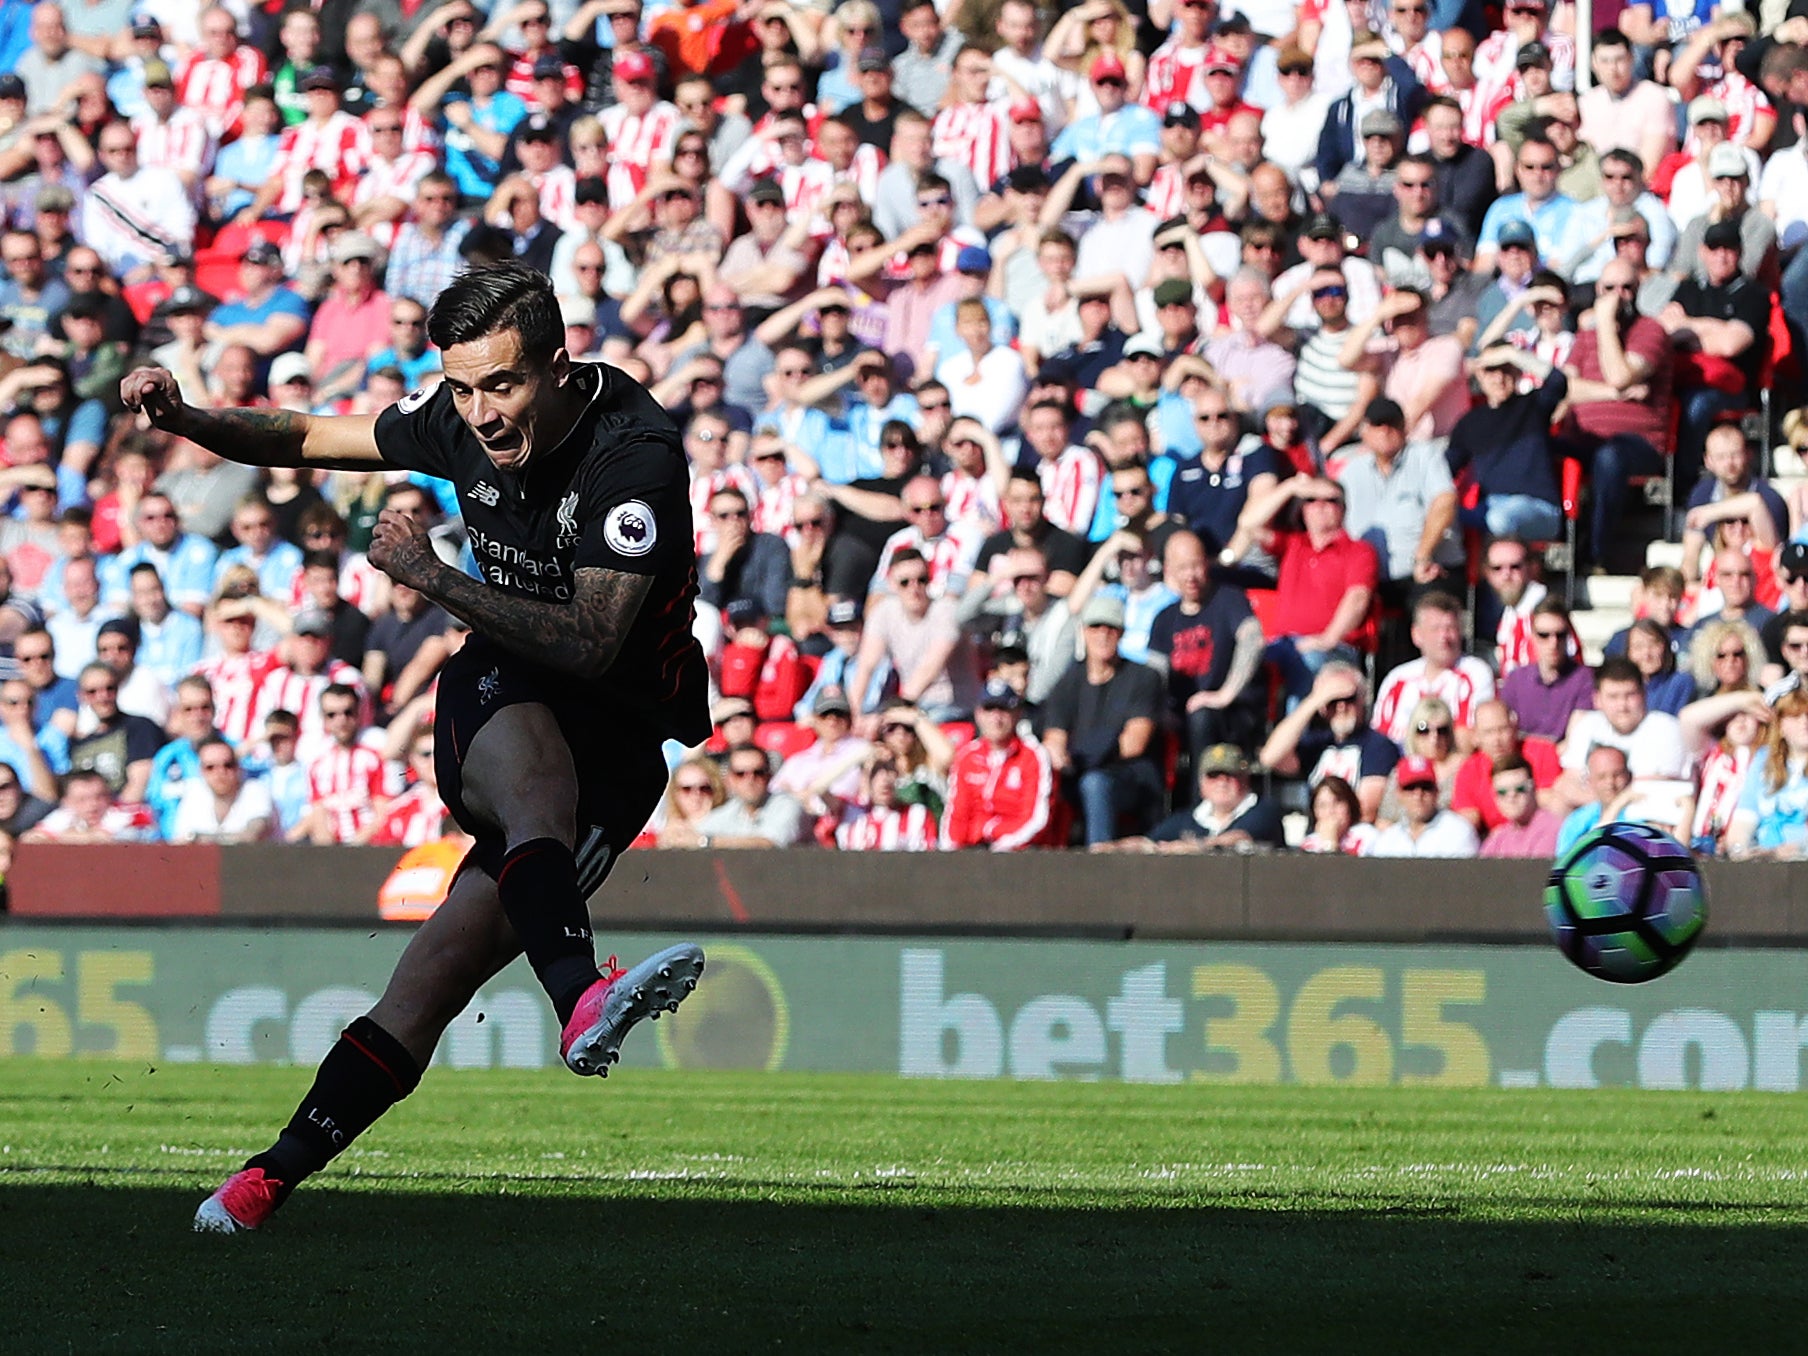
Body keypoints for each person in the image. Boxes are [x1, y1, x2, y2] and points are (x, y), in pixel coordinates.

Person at [125, 261, 708, 1235]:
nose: (478, 413)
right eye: (464, 387)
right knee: (535, 794)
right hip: (502, 688)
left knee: (433, 973)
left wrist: (428, 575)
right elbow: (310, 434)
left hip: (619, 737)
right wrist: (188, 418)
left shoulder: (633, 457)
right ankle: (581, 997)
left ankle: (262, 1182)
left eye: (502, 385)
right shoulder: (453, 418)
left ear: (558, 370)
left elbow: (591, 639)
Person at [1041, 595, 1166, 846]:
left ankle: (1100, 859)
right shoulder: (1067, 682)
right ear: (1083, 631)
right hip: (1076, 771)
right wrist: (1060, 755)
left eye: (1111, 627)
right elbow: (1054, 737)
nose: (1103, 634)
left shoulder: (1143, 677)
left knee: (1095, 783)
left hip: (1130, 775)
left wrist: (1081, 754)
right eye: (1095, 627)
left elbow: (1134, 743)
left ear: (1122, 633)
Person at [1259, 660, 1400, 822]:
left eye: (1348, 699)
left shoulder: (1378, 745)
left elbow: (1366, 809)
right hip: (1316, 837)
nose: (1341, 707)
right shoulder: (1317, 743)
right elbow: (1269, 757)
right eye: (1332, 701)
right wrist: (1314, 700)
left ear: (1362, 699)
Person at [939, 678, 1053, 851]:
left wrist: (998, 848)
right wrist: (953, 854)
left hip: (1018, 853)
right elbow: (956, 816)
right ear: (978, 714)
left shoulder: (1033, 755)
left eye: (1004, 709)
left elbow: (1036, 819)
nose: (996, 718)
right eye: (989, 709)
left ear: (1017, 714)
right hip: (972, 851)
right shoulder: (967, 756)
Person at [1121, 744, 1285, 853]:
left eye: (1230, 775)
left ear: (1245, 779)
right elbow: (1151, 842)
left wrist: (1192, 847)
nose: (1222, 782)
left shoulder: (1265, 811)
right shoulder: (1188, 818)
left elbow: (1240, 837)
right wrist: (1112, 847)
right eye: (1213, 775)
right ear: (1201, 783)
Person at [1726, 688, 1808, 859]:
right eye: (1795, 716)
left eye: (1807, 715)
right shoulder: (1763, 759)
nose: (1804, 723)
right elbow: (1743, 821)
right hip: (1764, 866)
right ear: (1781, 726)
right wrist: (1740, 851)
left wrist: (1791, 850)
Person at [1499, 597, 1595, 742]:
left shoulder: (1584, 679)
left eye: (1560, 635)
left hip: (1563, 760)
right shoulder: (1516, 680)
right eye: (1544, 635)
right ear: (1532, 636)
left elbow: (1576, 741)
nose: (1553, 643)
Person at [695, 741, 811, 848]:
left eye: (758, 773)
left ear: (769, 776)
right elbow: (701, 832)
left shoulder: (788, 805)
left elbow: (770, 845)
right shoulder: (732, 809)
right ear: (729, 780)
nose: (750, 780)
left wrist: (709, 842)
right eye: (740, 774)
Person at [1368, 753, 1480, 857]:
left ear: (1437, 791)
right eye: (1410, 788)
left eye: (1425, 787)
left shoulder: (1458, 831)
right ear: (1399, 794)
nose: (1418, 795)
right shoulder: (1388, 839)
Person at [168, 736, 274, 843]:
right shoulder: (194, 793)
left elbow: (251, 836)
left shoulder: (255, 790)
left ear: (238, 767)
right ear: (201, 771)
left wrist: (196, 838)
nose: (220, 772)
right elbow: (180, 842)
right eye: (210, 767)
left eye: (228, 765)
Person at [1479, 751, 1561, 856]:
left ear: (1534, 788)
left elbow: (1535, 871)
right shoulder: (1499, 838)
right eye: (1502, 792)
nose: (1511, 797)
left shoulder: (1551, 829)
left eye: (1520, 789)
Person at [1299, 775, 1378, 855]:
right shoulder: (1309, 845)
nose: (1330, 811)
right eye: (1322, 805)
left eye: (1337, 802)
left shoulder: (1367, 836)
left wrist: (1330, 845)